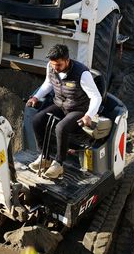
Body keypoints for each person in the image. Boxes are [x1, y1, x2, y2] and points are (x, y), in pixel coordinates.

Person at [25, 44, 102, 179]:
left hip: (78, 109)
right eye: (53, 64)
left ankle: (59, 164)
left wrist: (88, 115)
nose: (55, 68)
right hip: (60, 104)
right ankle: (45, 156)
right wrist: (36, 97)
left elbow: (96, 97)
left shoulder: (82, 74)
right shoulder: (51, 66)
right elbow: (48, 83)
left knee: (61, 127)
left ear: (67, 60)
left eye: (59, 65)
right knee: (37, 120)